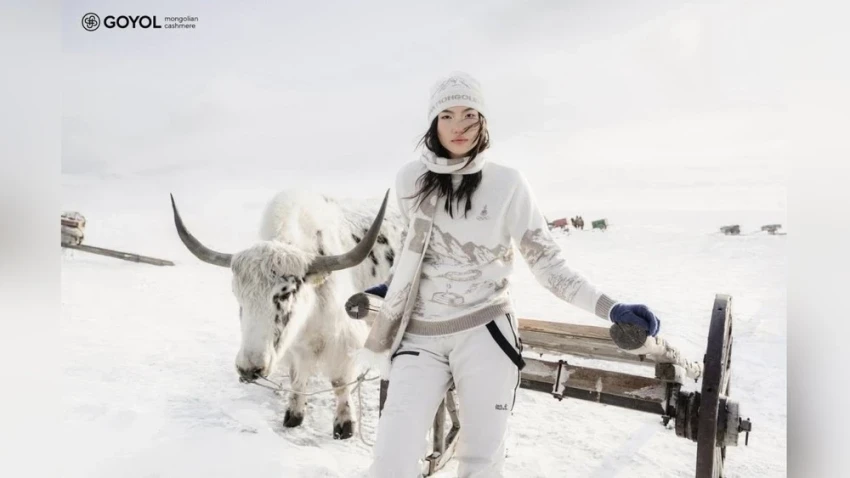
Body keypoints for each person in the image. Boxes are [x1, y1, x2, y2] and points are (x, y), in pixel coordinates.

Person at [359, 72, 661, 478]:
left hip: (485, 333)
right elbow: (416, 249)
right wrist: (391, 286)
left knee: (481, 464)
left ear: (483, 120)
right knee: (390, 463)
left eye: (469, 114)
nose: (459, 126)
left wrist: (611, 308)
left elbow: (548, 264)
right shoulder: (408, 180)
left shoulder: (507, 184)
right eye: (447, 115)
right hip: (420, 337)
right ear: (433, 123)